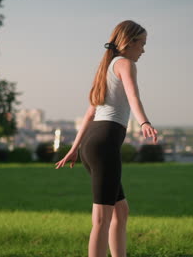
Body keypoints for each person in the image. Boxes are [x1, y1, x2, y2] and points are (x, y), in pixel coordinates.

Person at [55, 20, 158, 257]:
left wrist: (76, 147)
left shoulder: (106, 67)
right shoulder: (125, 64)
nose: (143, 49)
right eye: (141, 43)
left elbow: (91, 113)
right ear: (129, 42)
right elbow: (133, 96)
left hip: (92, 144)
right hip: (104, 144)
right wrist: (144, 122)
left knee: (120, 212)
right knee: (102, 218)